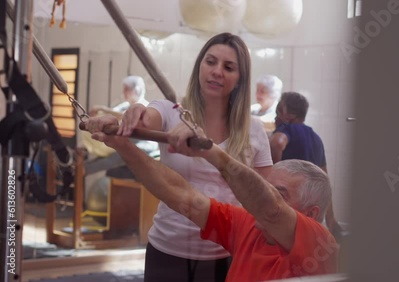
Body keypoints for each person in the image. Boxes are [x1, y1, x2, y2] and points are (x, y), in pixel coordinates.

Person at [87, 115, 339, 281]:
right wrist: (122, 145)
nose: (263, 199)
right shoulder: (249, 226)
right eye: (267, 187)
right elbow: (184, 197)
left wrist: (210, 151)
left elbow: (270, 209)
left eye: (279, 193)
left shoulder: (319, 243)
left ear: (312, 214)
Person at [117, 33, 273, 281]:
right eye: (210, 62)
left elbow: (266, 199)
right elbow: (147, 118)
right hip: (167, 250)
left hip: (227, 253)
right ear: (199, 65)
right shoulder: (170, 111)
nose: (217, 71)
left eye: (228, 67)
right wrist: (136, 110)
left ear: (240, 78)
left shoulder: (253, 129)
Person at [269, 92, 343, 238]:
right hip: (309, 214)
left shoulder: (287, 129)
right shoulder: (316, 139)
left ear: (288, 116)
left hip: (290, 211)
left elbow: (277, 143)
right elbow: (324, 182)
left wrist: (273, 171)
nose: (275, 117)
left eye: (278, 112)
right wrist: (331, 221)